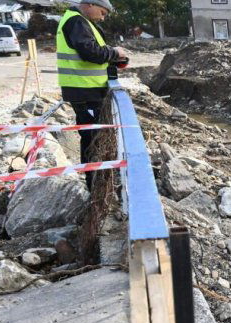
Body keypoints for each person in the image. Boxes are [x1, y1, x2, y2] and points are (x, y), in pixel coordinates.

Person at [56, 0, 127, 189]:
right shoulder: (76, 22)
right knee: (91, 140)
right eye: (102, 12)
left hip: (89, 90)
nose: (103, 17)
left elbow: (93, 55)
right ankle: (94, 186)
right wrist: (114, 52)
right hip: (85, 91)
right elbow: (90, 52)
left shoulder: (82, 22)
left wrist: (114, 60)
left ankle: (98, 181)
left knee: (94, 138)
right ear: (90, 5)